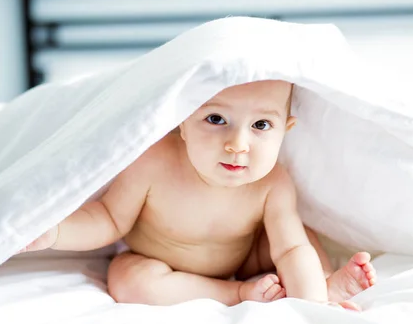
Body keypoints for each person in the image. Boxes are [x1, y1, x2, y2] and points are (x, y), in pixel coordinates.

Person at [21, 80, 376, 309]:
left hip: (243, 258)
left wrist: (309, 307)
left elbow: (289, 249)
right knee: (130, 282)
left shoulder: (273, 183)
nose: (237, 145)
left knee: (301, 243)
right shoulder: (153, 162)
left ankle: (322, 291)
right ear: (183, 122)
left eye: (261, 126)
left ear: (286, 130)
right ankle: (233, 295)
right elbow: (109, 218)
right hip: (158, 259)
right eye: (216, 119)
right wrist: (56, 231)